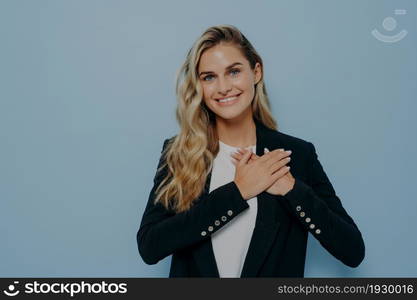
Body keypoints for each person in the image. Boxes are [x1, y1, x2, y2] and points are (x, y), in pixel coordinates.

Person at [136, 24, 365, 277]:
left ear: (256, 72)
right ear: (199, 86)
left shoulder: (296, 154)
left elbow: (353, 251)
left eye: (233, 72)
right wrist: (238, 192)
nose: (223, 87)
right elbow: (150, 247)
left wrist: (293, 190)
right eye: (209, 77)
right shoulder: (179, 153)